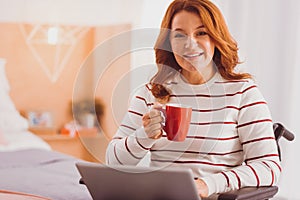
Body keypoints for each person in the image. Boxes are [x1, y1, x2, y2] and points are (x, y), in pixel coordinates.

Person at [106, 0, 281, 198]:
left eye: (201, 33)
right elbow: (113, 162)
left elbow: (269, 168)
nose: (190, 44)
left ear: (216, 38)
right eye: (179, 35)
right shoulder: (150, 93)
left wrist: (207, 185)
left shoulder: (243, 93)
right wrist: (144, 136)